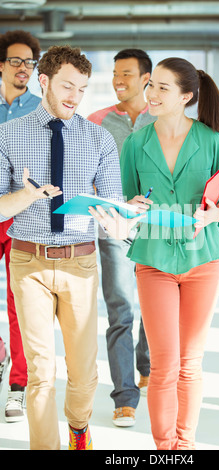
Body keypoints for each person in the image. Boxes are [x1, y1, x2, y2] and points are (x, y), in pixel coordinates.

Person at [92, 58, 219, 450]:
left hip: (202, 260)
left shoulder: (210, 140)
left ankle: (184, 446)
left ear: (186, 97)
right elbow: (123, 201)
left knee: (190, 365)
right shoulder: (137, 144)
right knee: (163, 365)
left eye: (162, 88)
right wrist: (130, 207)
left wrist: (211, 215)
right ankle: (163, 449)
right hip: (153, 259)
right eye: (151, 85)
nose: (151, 94)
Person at [0, 45, 139, 450]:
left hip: (80, 263)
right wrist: (24, 197)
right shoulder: (7, 135)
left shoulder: (98, 139)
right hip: (28, 261)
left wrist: (124, 215)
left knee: (82, 372)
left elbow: (113, 206)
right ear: (43, 82)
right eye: (66, 86)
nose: (74, 97)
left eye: (81, 89)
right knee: (41, 372)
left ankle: (79, 426)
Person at [88, 49, 154, 427]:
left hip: (153, 228)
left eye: (126, 74)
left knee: (150, 305)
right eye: (115, 73)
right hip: (112, 227)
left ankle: (144, 363)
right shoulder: (97, 122)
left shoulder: (161, 119)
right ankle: (125, 396)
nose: (118, 80)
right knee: (121, 309)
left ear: (146, 79)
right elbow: (85, 174)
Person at [0, 30, 41, 423]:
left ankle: (17, 387)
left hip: (23, 216)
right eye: (16, 61)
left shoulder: (40, 111)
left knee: (19, 302)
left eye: (30, 62)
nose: (24, 69)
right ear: (0, 65)